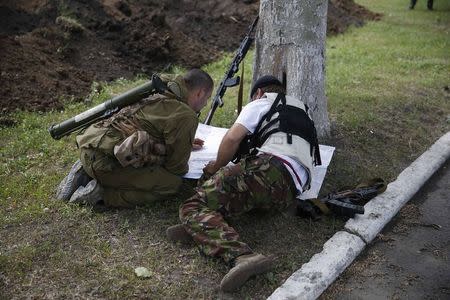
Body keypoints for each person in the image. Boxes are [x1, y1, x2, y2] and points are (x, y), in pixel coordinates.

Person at [166, 75, 321, 292]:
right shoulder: (302, 110)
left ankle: (242, 256)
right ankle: (204, 225)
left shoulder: (262, 102)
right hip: (290, 191)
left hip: (269, 170)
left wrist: (215, 167)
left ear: (258, 93)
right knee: (236, 192)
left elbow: (231, 138)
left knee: (192, 205)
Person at [56, 69, 213, 207]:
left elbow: (150, 125)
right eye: (206, 99)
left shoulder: (158, 87)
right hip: (106, 163)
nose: (205, 104)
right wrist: (178, 149)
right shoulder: (185, 115)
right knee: (171, 184)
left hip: (91, 145)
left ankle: (84, 170)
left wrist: (183, 143)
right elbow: (176, 168)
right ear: (199, 93)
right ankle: (100, 194)